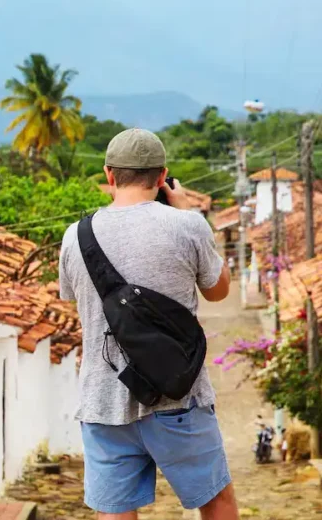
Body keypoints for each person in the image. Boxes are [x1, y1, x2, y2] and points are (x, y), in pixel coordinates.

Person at [59, 128, 237, 520]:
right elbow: (219, 291)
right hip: (178, 397)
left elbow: (74, 301)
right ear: (162, 177)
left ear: (109, 176)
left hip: (103, 400)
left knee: (116, 512)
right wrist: (187, 213)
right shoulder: (186, 226)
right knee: (216, 501)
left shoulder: (74, 237)